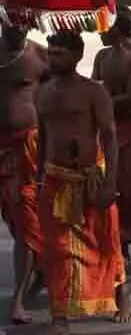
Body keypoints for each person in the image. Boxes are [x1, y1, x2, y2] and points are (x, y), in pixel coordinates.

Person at [36, 30, 131, 333]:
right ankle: (59, 315)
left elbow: (110, 137)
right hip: (55, 178)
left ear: (77, 56)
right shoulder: (44, 91)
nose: (53, 59)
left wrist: (110, 183)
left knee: (105, 241)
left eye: (60, 54)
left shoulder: (94, 91)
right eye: (51, 53)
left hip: (89, 177)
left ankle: (122, 292)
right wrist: (39, 177)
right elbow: (43, 138)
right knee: (56, 249)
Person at [92, 5, 131, 251]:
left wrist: (97, 100)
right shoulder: (102, 56)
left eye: (102, 24)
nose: (98, 30)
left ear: (116, 27)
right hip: (107, 128)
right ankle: (118, 245)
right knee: (108, 187)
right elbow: (98, 88)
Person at [0, 21, 46, 325]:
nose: (17, 29)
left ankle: (17, 300)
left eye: (22, 23)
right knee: (17, 225)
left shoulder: (41, 57)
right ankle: (38, 271)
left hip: (29, 148)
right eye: (10, 23)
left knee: (27, 223)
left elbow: (65, 94)